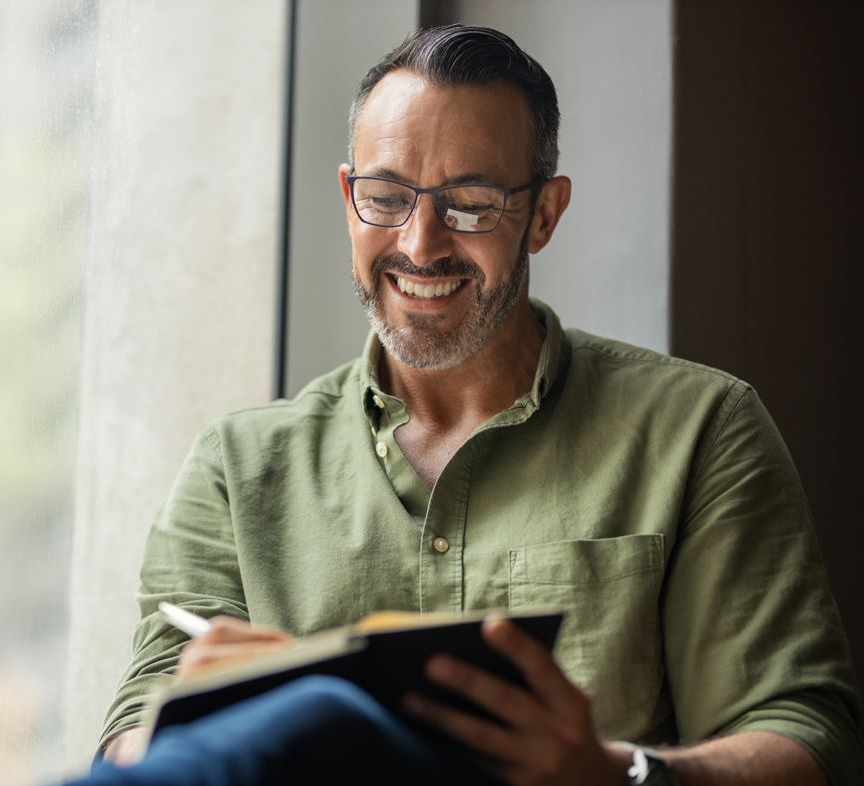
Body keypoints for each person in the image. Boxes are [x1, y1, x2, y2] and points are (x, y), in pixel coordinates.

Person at [97, 24, 861, 785]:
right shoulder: (236, 466)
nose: (420, 243)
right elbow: (127, 739)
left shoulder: (699, 429)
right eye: (386, 197)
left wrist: (609, 772)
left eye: (470, 203)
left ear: (543, 214)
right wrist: (208, 714)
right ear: (346, 198)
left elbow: (806, 736)